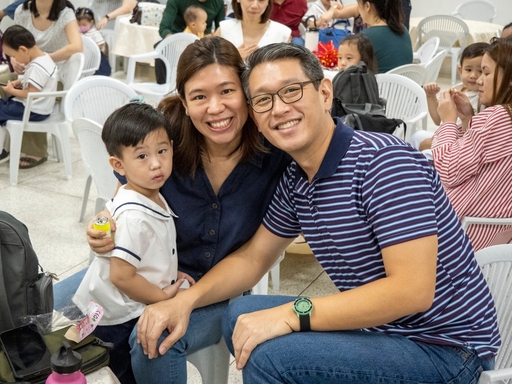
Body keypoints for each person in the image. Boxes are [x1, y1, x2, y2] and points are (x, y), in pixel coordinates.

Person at [135, 42, 500, 383]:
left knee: (273, 355)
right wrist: (185, 301)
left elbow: (411, 291)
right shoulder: (296, 178)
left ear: (325, 93)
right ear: (255, 117)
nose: (278, 109)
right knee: (239, 315)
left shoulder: (383, 162)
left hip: (447, 349)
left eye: (291, 91)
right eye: (262, 100)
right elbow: (253, 257)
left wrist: (294, 313)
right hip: (383, 330)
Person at [79, 36, 291, 383]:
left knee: (155, 340)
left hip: (219, 291)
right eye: (199, 96)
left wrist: (185, 300)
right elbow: (127, 192)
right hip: (145, 276)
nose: (215, 108)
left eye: (227, 91)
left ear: (246, 92)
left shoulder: (273, 153)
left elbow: (255, 260)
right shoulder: (165, 139)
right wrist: (102, 223)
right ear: (185, 101)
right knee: (58, 308)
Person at [73, 102, 195, 384]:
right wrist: (162, 297)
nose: (156, 163)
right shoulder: (134, 216)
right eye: (142, 156)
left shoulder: (148, 192)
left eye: (162, 151)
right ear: (118, 165)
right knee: (120, 374)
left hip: (113, 304)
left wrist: (168, 273)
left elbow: (146, 254)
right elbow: (121, 276)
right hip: (116, 316)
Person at [432, 37, 512, 251]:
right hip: (496, 237)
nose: (479, 80)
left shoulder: (498, 116)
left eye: (486, 72)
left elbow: (448, 171)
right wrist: (468, 120)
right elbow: (483, 157)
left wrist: (448, 121)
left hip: (460, 235)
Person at [0, 0, 82, 170]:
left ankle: (35, 150)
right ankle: (6, 145)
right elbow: (14, 42)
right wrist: (15, 60)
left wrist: (40, 61)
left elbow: (76, 47)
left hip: (52, 74)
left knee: (30, 98)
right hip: (29, 69)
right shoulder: (23, 10)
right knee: (6, 85)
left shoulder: (65, 12)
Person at [410, 42, 489, 158]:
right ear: (460, 70)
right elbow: (437, 120)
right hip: (442, 136)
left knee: (425, 154)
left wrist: (435, 142)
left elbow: (470, 136)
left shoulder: (482, 99)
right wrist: (430, 96)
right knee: (416, 136)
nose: (473, 75)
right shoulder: (457, 89)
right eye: (468, 70)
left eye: (480, 71)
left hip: (455, 145)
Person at [0, 25, 57, 165]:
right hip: (37, 108)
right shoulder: (44, 59)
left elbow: (32, 93)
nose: (13, 59)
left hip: (32, 110)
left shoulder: (37, 67)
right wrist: (19, 82)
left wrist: (11, 91)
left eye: (13, 56)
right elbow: (35, 83)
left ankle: (2, 152)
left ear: (23, 50)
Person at [155, 0, 224, 83]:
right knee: (161, 47)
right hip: (176, 41)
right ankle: (164, 88)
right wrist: (173, 41)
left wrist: (213, 36)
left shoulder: (218, 2)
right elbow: (164, 28)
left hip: (204, 43)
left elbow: (220, 29)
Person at [215, 0, 291, 60]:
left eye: (261, 0)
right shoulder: (223, 29)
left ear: (268, 2)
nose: (254, 5)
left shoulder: (282, 34)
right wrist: (232, 58)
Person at [358, 0, 412, 73]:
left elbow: (356, 72)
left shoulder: (365, 37)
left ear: (367, 6)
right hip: (407, 83)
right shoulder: (403, 30)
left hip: (380, 84)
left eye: (358, 4)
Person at [75, 7, 111, 76]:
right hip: (82, 55)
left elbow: (101, 44)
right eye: (79, 25)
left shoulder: (95, 33)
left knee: (99, 72)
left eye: (84, 25)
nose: (81, 27)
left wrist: (92, 50)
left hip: (93, 57)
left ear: (91, 22)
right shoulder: (78, 32)